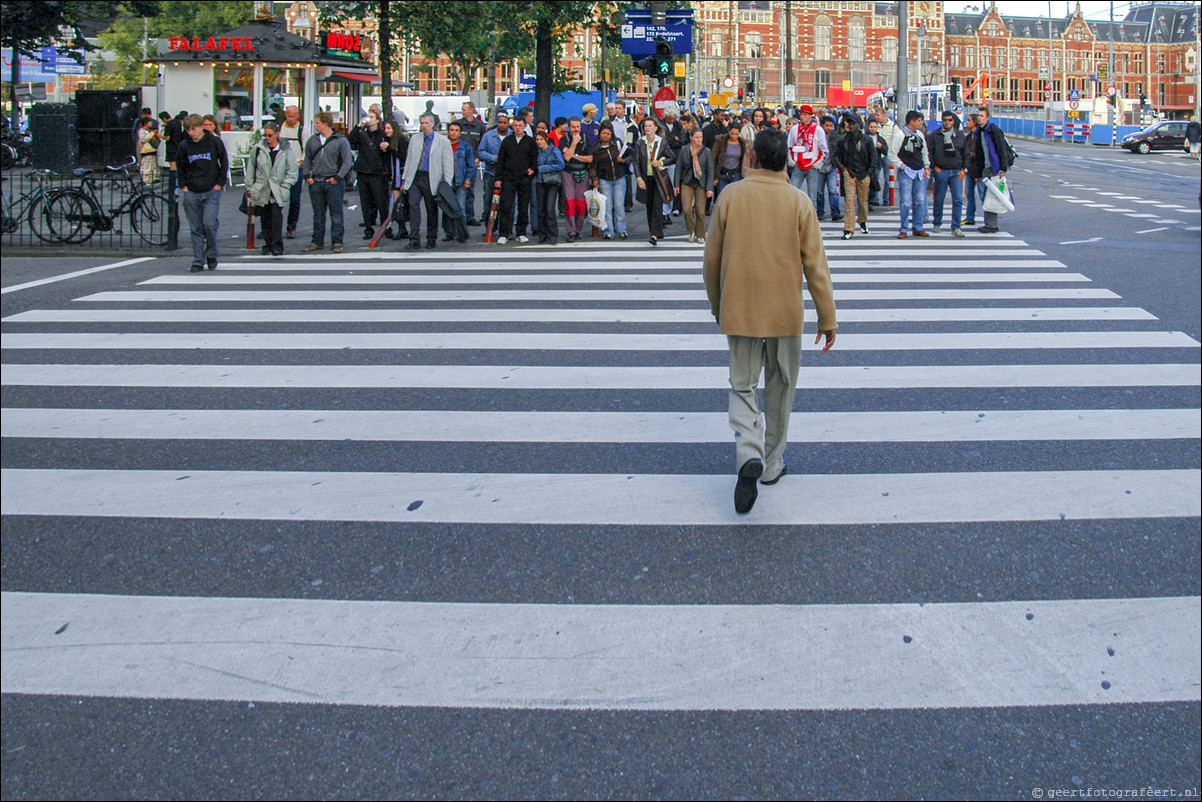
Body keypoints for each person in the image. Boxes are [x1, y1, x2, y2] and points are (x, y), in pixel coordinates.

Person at [702, 128, 837, 514]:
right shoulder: (799, 201)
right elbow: (816, 266)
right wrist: (827, 317)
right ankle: (773, 464)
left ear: (755, 157)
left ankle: (748, 450)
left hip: (740, 305)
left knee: (742, 384)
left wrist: (719, 305)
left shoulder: (731, 195)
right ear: (786, 160)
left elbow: (711, 260)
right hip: (785, 309)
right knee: (781, 384)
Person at [176, 113, 228, 272]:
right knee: (195, 228)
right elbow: (181, 166)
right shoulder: (184, 145)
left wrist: (219, 183)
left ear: (201, 127)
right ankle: (198, 260)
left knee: (209, 223)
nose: (191, 133)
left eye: (193, 129)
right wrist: (184, 186)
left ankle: (211, 253)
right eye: (188, 130)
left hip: (211, 189)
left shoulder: (214, 142)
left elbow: (224, 161)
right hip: (192, 190)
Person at [302, 111, 354, 254]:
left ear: (325, 124)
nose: (316, 125)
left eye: (318, 123)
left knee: (336, 213)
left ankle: (337, 241)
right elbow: (307, 159)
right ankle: (317, 241)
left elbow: (347, 161)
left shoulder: (341, 141)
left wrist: (338, 177)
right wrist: (307, 176)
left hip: (333, 182)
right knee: (318, 214)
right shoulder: (312, 141)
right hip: (316, 181)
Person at [400, 112, 453, 250]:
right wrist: (405, 180)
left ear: (432, 124)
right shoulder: (415, 139)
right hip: (416, 177)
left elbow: (447, 164)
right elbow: (409, 160)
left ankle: (431, 238)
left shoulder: (443, 141)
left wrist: (447, 183)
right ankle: (414, 239)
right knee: (413, 206)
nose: (424, 126)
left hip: (432, 177)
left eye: (427, 123)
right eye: (422, 123)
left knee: (431, 208)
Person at [246, 122, 299, 257]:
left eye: (270, 135)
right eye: (266, 135)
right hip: (262, 187)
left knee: (276, 217)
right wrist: (250, 186)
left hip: (277, 189)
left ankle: (277, 245)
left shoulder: (285, 149)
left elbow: (292, 170)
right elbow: (251, 168)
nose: (267, 138)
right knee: (265, 218)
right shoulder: (258, 149)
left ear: (277, 134)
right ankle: (267, 244)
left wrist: (285, 185)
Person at [493, 115, 538, 245]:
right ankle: (504, 233)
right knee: (506, 206)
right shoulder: (507, 141)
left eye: (520, 125)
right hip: (508, 178)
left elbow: (534, 159)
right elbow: (501, 160)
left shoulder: (530, 141)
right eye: (515, 126)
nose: (518, 128)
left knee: (523, 206)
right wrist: (498, 178)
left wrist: (532, 170)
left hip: (524, 178)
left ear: (524, 126)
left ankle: (521, 232)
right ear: (512, 127)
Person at [832, 112, 876, 240]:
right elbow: (835, 155)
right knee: (849, 202)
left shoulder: (867, 140)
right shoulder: (842, 140)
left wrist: (869, 172)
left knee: (863, 202)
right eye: (849, 123)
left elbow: (873, 157)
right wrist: (843, 169)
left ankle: (862, 220)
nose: (850, 126)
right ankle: (848, 229)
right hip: (849, 173)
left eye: (853, 123)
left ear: (859, 125)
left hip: (863, 173)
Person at [890, 110, 931, 239]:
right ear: (912, 121)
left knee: (920, 200)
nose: (921, 123)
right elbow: (892, 154)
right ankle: (903, 228)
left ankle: (918, 227)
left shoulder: (919, 134)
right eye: (919, 121)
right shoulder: (900, 135)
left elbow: (924, 151)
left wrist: (926, 166)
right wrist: (902, 166)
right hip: (906, 171)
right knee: (905, 201)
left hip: (919, 170)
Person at [971, 106, 1012, 234]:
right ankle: (989, 223)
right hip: (985, 168)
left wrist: (1002, 168)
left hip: (994, 168)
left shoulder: (993, 130)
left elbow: (1001, 150)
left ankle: (991, 224)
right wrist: (977, 172)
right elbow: (979, 154)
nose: (979, 118)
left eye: (982, 116)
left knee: (992, 196)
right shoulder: (979, 132)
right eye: (978, 116)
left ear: (987, 118)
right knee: (986, 196)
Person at [349, 110, 389, 239]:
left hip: (377, 172)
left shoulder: (382, 135)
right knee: (365, 201)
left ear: (377, 120)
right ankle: (368, 228)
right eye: (368, 117)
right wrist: (359, 126)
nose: (369, 119)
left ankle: (385, 228)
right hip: (363, 170)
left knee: (381, 201)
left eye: (372, 117)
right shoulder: (362, 133)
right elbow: (350, 140)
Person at [635, 115, 674, 246]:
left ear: (656, 128)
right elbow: (636, 162)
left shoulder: (661, 142)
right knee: (649, 205)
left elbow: (671, 157)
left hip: (659, 178)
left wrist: (661, 162)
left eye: (650, 126)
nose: (647, 128)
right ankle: (656, 231)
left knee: (657, 204)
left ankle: (654, 235)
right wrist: (638, 177)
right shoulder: (640, 142)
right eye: (645, 126)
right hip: (646, 178)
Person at [927, 110, 967, 237]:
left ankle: (956, 227)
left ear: (953, 121)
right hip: (941, 170)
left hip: (957, 171)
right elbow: (929, 153)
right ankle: (937, 223)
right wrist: (934, 167)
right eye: (945, 120)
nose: (947, 122)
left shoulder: (960, 135)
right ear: (942, 121)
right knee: (939, 199)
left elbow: (966, 154)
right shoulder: (935, 135)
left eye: (950, 120)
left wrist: (964, 170)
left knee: (958, 200)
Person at [674, 126, 713, 244]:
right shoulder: (684, 149)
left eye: (701, 137)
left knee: (700, 211)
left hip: (701, 182)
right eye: (696, 137)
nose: (699, 140)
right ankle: (691, 229)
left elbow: (710, 170)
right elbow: (678, 168)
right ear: (691, 138)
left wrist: (709, 187)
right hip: (687, 181)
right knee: (686, 209)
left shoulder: (706, 151)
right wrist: (676, 185)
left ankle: (700, 233)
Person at [590, 122, 628, 240]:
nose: (605, 136)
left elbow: (629, 156)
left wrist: (623, 160)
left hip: (619, 178)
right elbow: (593, 166)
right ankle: (608, 230)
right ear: (599, 134)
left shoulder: (617, 144)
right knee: (607, 206)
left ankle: (622, 230)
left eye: (608, 133)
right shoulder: (596, 149)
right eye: (603, 133)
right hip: (605, 179)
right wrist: (594, 179)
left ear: (612, 134)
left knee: (619, 206)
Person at [786, 104, 828, 211]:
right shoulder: (795, 129)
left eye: (805, 115)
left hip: (811, 165)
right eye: (801, 114)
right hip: (798, 165)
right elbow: (789, 146)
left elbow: (823, 149)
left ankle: (812, 216)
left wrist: (817, 164)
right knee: (793, 193)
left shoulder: (818, 130)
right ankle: (792, 214)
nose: (802, 117)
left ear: (810, 116)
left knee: (812, 195)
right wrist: (792, 161)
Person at [559, 116, 593, 242]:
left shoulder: (587, 139)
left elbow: (590, 158)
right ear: (569, 127)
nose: (576, 129)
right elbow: (567, 158)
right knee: (569, 203)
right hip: (568, 172)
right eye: (573, 127)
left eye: (578, 127)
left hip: (583, 173)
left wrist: (575, 155)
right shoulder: (564, 140)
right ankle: (571, 231)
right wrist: (574, 143)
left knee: (581, 204)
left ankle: (578, 229)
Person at [453, 101, 486, 223]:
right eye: (462, 109)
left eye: (465, 109)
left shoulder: (479, 126)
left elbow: (483, 143)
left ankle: (470, 216)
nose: (463, 111)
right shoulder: (458, 124)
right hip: (459, 161)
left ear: (472, 110)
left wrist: (478, 158)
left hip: (473, 161)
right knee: (458, 188)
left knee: (470, 190)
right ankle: (459, 216)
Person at [477, 110, 511, 229]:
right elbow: (480, 152)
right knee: (488, 201)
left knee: (507, 203)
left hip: (508, 174)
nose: (502, 125)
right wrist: (494, 158)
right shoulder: (488, 135)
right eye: (500, 122)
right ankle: (489, 228)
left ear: (508, 123)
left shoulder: (512, 135)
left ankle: (506, 229)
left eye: (504, 122)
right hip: (491, 173)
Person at [444, 120, 476, 241]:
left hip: (461, 181)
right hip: (446, 181)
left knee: (461, 208)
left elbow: (471, 165)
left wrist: (468, 179)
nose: (454, 133)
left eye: (456, 130)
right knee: (447, 208)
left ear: (460, 133)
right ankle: (449, 232)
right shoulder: (444, 145)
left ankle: (461, 233)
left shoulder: (465, 147)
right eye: (451, 130)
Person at [534, 129, 565, 244]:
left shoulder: (554, 150)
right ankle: (542, 234)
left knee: (549, 209)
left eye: (541, 139)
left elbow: (561, 164)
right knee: (541, 209)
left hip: (551, 182)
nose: (539, 142)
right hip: (540, 181)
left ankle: (553, 234)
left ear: (546, 139)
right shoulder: (538, 151)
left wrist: (544, 168)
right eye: (537, 139)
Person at [278, 105, 304, 238]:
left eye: (293, 116)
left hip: (295, 168)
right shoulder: (280, 128)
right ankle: (274, 226)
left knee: (294, 200)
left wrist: (302, 161)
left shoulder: (302, 129)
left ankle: (291, 226)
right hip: (280, 168)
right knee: (277, 199)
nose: (290, 119)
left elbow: (307, 147)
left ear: (298, 116)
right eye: (288, 116)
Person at [381, 119, 409, 239]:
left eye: (389, 128)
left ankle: (407, 228)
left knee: (405, 203)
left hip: (402, 175)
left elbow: (404, 157)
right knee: (397, 204)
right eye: (385, 128)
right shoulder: (388, 141)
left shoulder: (401, 140)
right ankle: (402, 228)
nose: (387, 131)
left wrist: (389, 149)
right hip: (394, 176)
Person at [712, 121, 750, 200]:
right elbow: (714, 158)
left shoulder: (742, 144)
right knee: (722, 198)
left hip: (736, 174)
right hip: (722, 174)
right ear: (729, 131)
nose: (734, 136)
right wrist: (715, 176)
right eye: (732, 133)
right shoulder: (721, 141)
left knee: (734, 199)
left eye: (736, 134)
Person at [815, 115, 842, 221]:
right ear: (822, 125)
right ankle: (820, 212)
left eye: (831, 126)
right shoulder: (817, 135)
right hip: (819, 167)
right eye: (827, 125)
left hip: (831, 166)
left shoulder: (835, 136)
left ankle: (835, 212)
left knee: (833, 191)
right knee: (819, 192)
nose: (829, 128)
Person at [873, 106, 899, 206]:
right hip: (877, 155)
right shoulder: (874, 125)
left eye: (878, 115)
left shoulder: (893, 126)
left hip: (888, 154)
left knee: (888, 178)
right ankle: (875, 198)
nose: (876, 117)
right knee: (875, 176)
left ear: (884, 115)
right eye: (875, 115)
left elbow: (896, 140)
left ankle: (886, 199)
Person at [962, 111, 980, 227]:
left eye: (969, 120)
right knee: (969, 194)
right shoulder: (969, 136)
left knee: (983, 195)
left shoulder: (980, 135)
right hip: (969, 169)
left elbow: (980, 154)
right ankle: (970, 217)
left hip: (979, 170)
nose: (967, 122)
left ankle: (990, 219)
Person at [866, 117, 888, 209]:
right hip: (865, 164)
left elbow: (886, 151)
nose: (873, 129)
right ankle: (865, 201)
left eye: (875, 127)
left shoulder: (880, 139)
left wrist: (881, 146)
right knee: (866, 184)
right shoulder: (864, 138)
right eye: (871, 127)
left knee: (874, 182)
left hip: (876, 164)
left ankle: (871, 201)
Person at [137, 117, 160, 184]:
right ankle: (146, 179)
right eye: (150, 122)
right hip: (146, 150)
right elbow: (144, 139)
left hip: (152, 149)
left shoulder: (150, 130)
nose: (151, 123)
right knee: (147, 165)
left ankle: (154, 178)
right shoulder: (142, 131)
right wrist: (152, 133)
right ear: (146, 123)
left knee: (153, 165)